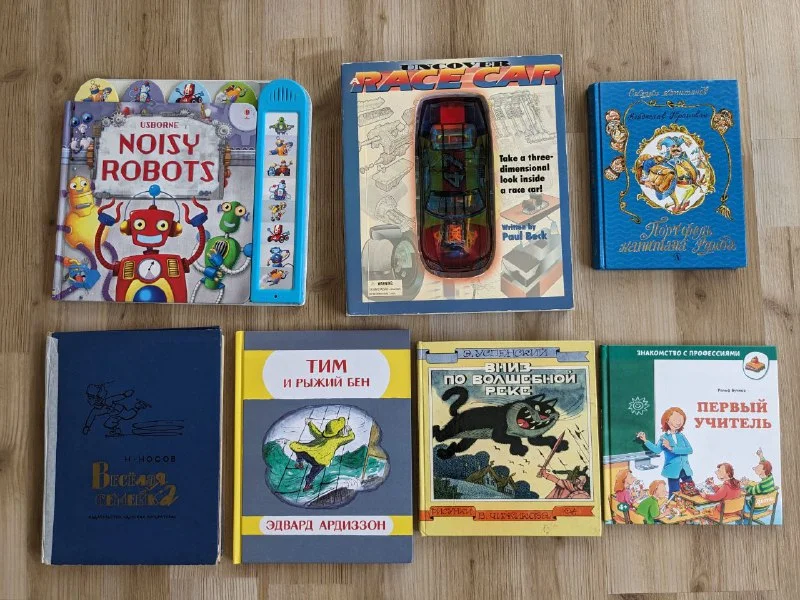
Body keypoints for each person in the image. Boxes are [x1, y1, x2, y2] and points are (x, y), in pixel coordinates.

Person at [637, 407, 695, 495]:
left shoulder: (681, 436)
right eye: (675, 419)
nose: (679, 422)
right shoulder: (664, 437)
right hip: (672, 470)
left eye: (681, 420)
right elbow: (657, 450)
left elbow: (689, 450)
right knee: (674, 493)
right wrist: (645, 440)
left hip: (685, 469)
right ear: (667, 420)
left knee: (691, 490)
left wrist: (672, 448)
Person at [289, 417, 355, 492]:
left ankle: (299, 463)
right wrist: (350, 430)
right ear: (339, 431)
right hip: (319, 462)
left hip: (308, 453)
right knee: (313, 473)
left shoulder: (322, 436)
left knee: (299, 450)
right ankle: (307, 486)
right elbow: (351, 437)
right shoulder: (337, 440)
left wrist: (310, 423)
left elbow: (315, 431)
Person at [740, 448, 776, 515]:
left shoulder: (762, 485)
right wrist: (761, 456)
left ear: (763, 471)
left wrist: (745, 485)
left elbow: (751, 490)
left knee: (741, 501)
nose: (755, 468)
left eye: (758, 468)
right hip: (765, 506)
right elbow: (765, 464)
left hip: (755, 509)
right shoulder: (770, 477)